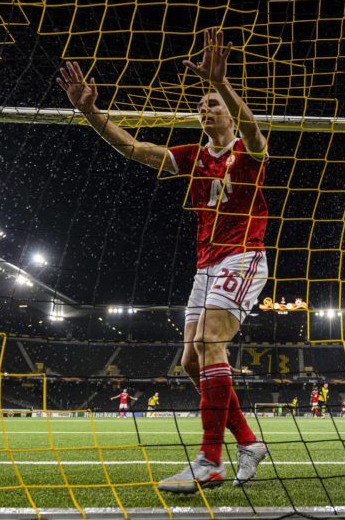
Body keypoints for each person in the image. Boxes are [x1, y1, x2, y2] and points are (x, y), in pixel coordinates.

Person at [58, 27, 269, 493]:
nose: (205, 108)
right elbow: (133, 148)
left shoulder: (248, 152)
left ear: (228, 114)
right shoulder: (192, 156)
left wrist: (222, 84)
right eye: (202, 104)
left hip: (244, 257)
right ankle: (249, 442)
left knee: (213, 342)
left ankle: (209, 460)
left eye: (212, 104)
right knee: (192, 362)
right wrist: (91, 112)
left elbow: (252, 128)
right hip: (206, 267)